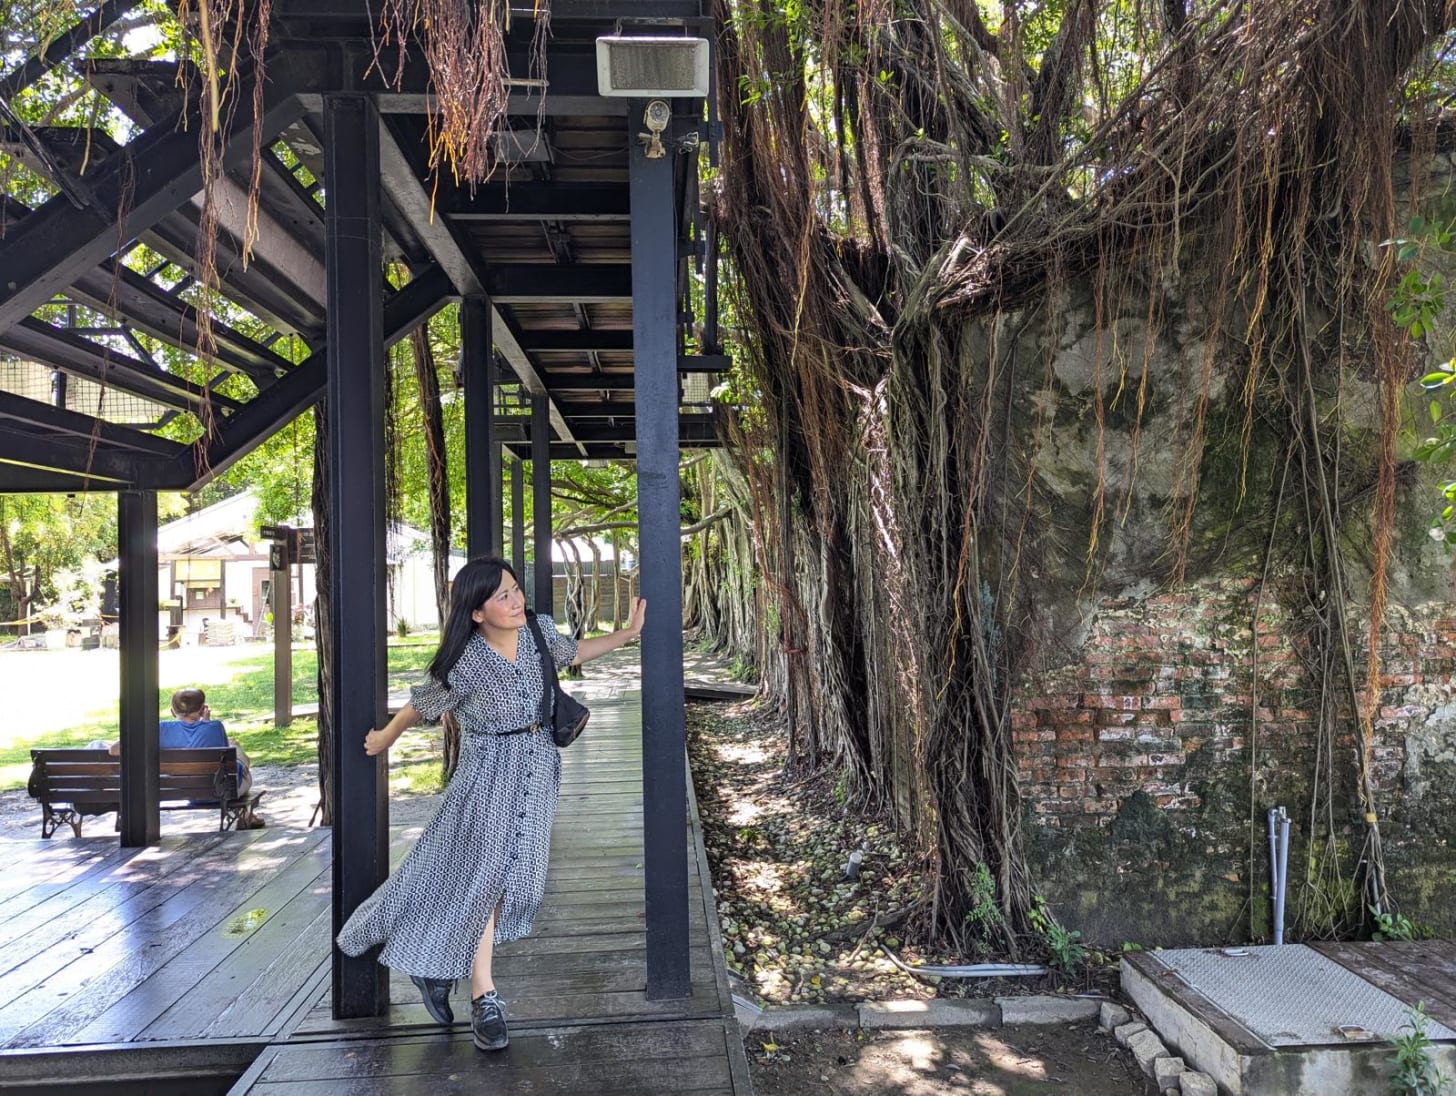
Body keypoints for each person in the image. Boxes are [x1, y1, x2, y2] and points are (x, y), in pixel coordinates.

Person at [335, 557, 646, 1052]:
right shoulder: (467, 661)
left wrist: (627, 634)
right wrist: (386, 737)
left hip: (538, 768)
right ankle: (485, 996)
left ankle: (438, 970)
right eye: (503, 596)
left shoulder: (538, 633)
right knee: (489, 879)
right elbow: (423, 704)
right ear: (477, 612)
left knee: (520, 881)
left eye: (515, 589)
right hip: (487, 775)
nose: (517, 600)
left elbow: (575, 650)